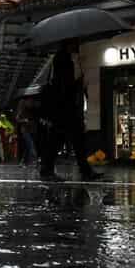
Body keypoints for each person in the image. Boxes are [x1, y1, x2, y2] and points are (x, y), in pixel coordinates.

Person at [40, 42, 101, 181]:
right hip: (65, 108)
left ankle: (48, 169)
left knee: (64, 140)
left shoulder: (63, 58)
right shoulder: (64, 58)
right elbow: (65, 85)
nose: (77, 44)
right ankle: (82, 171)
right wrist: (77, 82)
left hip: (63, 108)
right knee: (68, 139)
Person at [16, 98, 37, 166]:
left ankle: (24, 162)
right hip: (26, 131)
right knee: (31, 146)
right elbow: (18, 119)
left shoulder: (29, 110)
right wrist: (25, 120)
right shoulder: (22, 110)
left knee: (28, 147)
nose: (30, 103)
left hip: (30, 130)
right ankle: (34, 161)